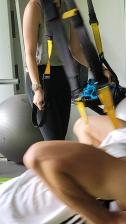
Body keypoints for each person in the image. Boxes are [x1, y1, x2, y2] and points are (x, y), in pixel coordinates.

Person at [23, 0, 89, 141]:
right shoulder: (35, 7)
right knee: (53, 139)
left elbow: (76, 51)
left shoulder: (68, 7)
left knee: (60, 138)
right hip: (40, 77)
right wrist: (37, 89)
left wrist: (100, 69)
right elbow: (29, 54)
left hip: (62, 76)